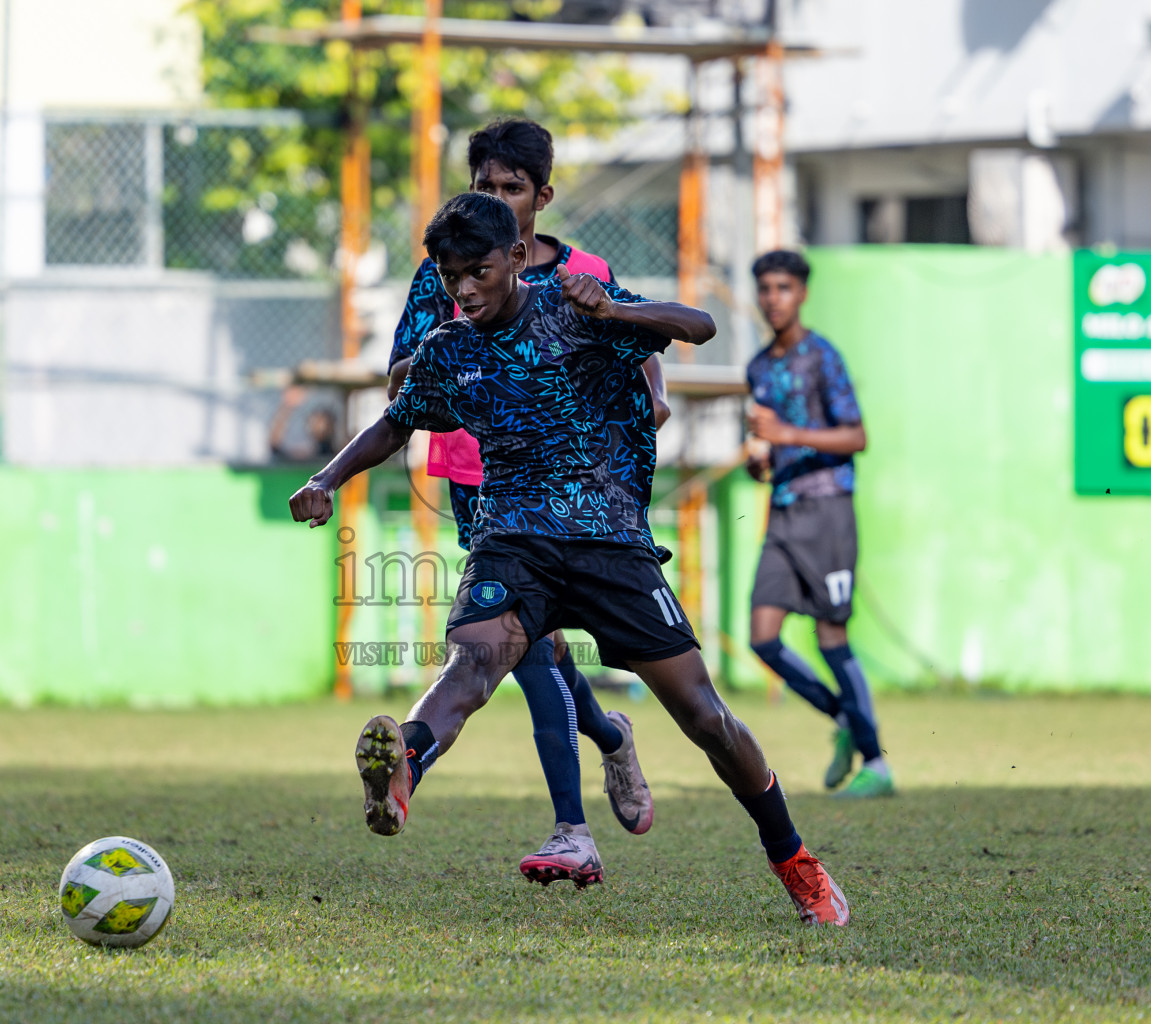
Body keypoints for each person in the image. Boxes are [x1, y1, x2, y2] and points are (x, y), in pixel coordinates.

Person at [292, 194, 849, 925]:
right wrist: (326, 477)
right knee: (470, 667)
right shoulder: (449, 350)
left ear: (517, 258)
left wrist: (615, 312)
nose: (464, 290)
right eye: (451, 275)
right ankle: (403, 772)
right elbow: (395, 425)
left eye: (479, 272)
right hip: (513, 545)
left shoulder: (574, 306)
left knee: (704, 716)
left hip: (609, 542)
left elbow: (699, 327)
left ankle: (795, 860)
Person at [386, 118, 667, 880]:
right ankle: (606, 738)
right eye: (486, 187)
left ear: (541, 196)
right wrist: (440, 371)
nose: (500, 201)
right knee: (529, 651)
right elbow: (402, 372)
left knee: (531, 652)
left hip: (578, 490)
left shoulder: (584, 271)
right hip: (480, 476)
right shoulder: (444, 266)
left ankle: (570, 825)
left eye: (513, 189)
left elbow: (641, 350)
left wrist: (652, 399)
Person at [744, 249, 893, 799]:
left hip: (828, 509)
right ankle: (846, 721)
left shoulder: (821, 357)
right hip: (783, 512)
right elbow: (769, 444)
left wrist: (787, 436)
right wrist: (761, 459)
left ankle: (876, 763)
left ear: (802, 293)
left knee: (832, 636)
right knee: (763, 639)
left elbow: (856, 437)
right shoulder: (758, 367)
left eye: (783, 287)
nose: (772, 298)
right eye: (765, 288)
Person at [268, 387, 340, 463]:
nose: (317, 425)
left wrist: (287, 407)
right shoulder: (321, 398)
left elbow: (274, 442)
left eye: (321, 430)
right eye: (318, 421)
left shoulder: (309, 446)